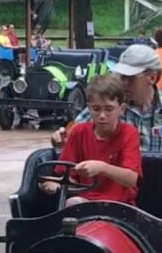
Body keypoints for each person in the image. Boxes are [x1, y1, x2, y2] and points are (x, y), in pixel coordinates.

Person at [49, 44, 162, 152]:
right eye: (121, 76)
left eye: (130, 78)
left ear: (152, 78)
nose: (123, 82)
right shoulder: (109, 104)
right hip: (115, 183)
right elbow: (72, 137)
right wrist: (61, 140)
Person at [38, 74, 141, 207]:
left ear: (121, 109)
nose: (102, 115)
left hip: (120, 206)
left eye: (109, 109)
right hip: (85, 202)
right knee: (71, 204)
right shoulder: (79, 132)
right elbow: (67, 174)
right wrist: (55, 182)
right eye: (96, 109)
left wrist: (102, 168)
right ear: (89, 108)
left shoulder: (129, 134)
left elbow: (132, 179)